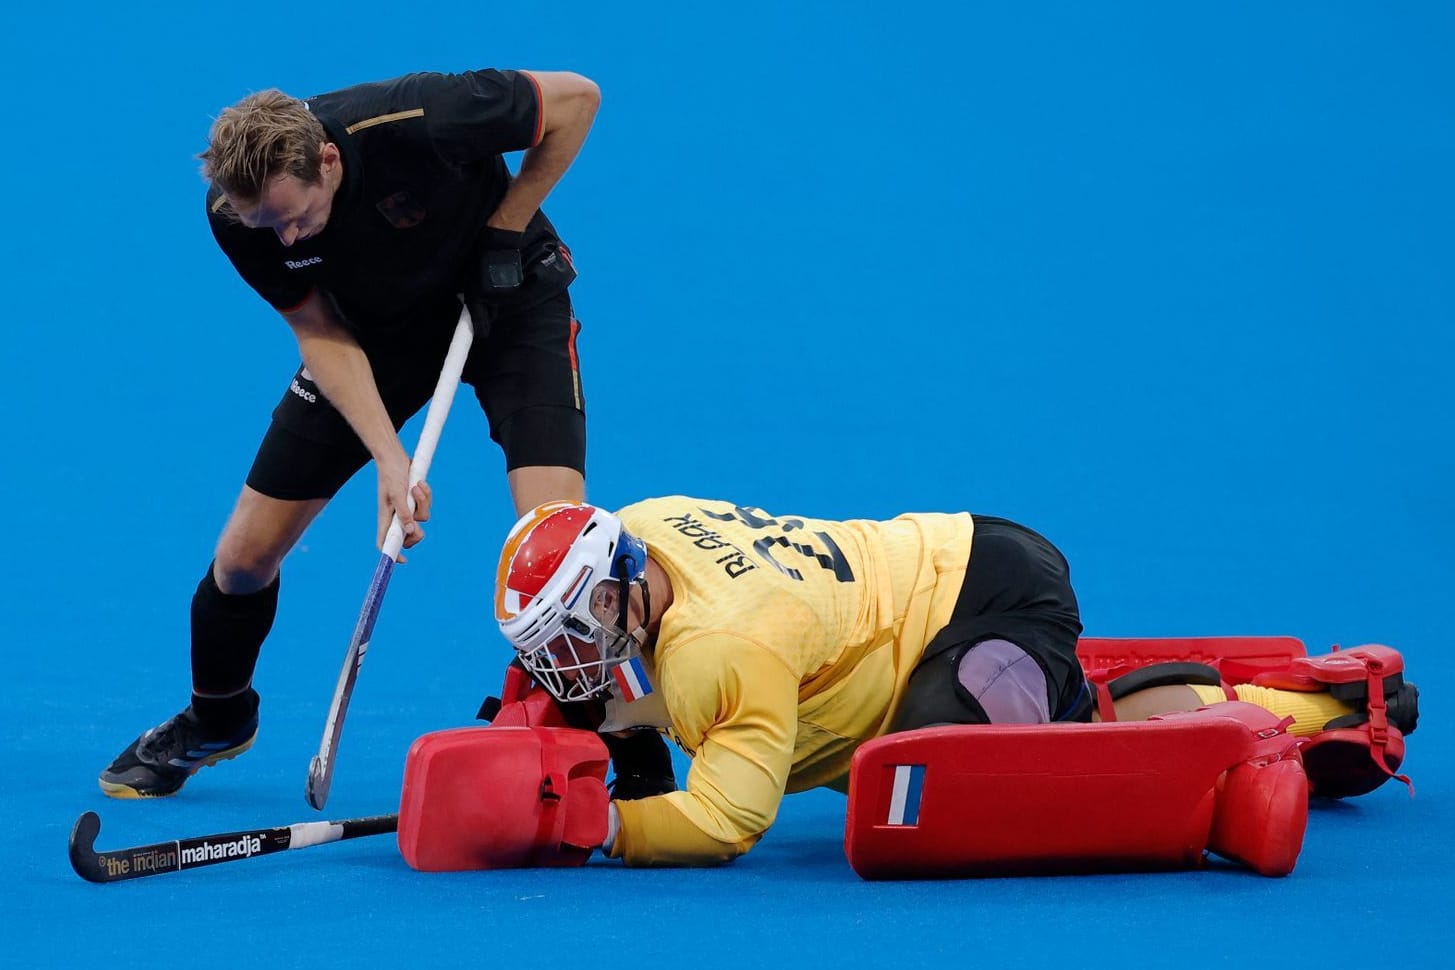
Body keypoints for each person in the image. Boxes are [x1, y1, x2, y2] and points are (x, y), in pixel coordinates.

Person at [98, 68, 674, 800]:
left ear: (328, 162)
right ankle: (219, 718)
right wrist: (389, 459)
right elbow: (320, 331)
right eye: (266, 227)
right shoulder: (236, 213)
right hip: (375, 335)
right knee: (242, 560)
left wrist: (507, 225)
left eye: (295, 218)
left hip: (507, 302)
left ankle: (629, 738)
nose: (285, 236)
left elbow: (579, 98)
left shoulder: (425, 117)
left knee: (563, 548)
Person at [492, 497, 1419, 867]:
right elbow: (705, 688)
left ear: (617, 588)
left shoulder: (717, 652)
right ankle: (1079, 695)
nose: (561, 654)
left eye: (569, 630)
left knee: (942, 790)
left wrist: (601, 825)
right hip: (962, 558)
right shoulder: (648, 519)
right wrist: (578, 713)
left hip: (988, 606)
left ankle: (1298, 715)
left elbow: (731, 820)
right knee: (923, 751)